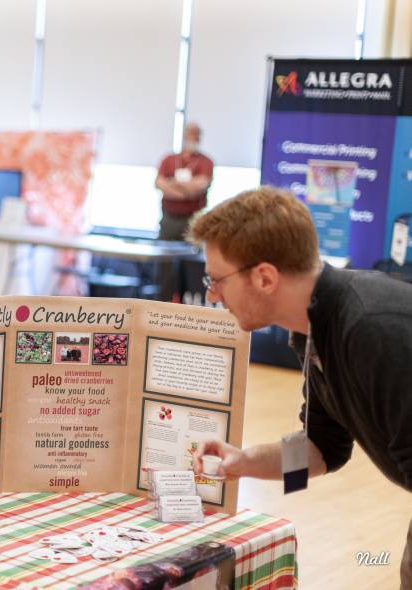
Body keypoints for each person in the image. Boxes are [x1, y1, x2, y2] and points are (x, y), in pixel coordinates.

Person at [186, 186, 412, 588]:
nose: (211, 294)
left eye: (217, 279)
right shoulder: (316, 327)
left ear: (265, 277)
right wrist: (244, 462)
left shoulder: (370, 327)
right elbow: (324, 450)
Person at [153, 122, 214, 302]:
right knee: (164, 265)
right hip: (169, 220)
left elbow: (200, 186)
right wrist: (187, 190)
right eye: (190, 133)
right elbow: (159, 184)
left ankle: (188, 306)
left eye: (196, 134)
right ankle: (162, 303)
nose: (193, 138)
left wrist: (173, 184)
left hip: (193, 220)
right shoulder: (169, 159)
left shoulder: (205, 162)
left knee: (192, 264)